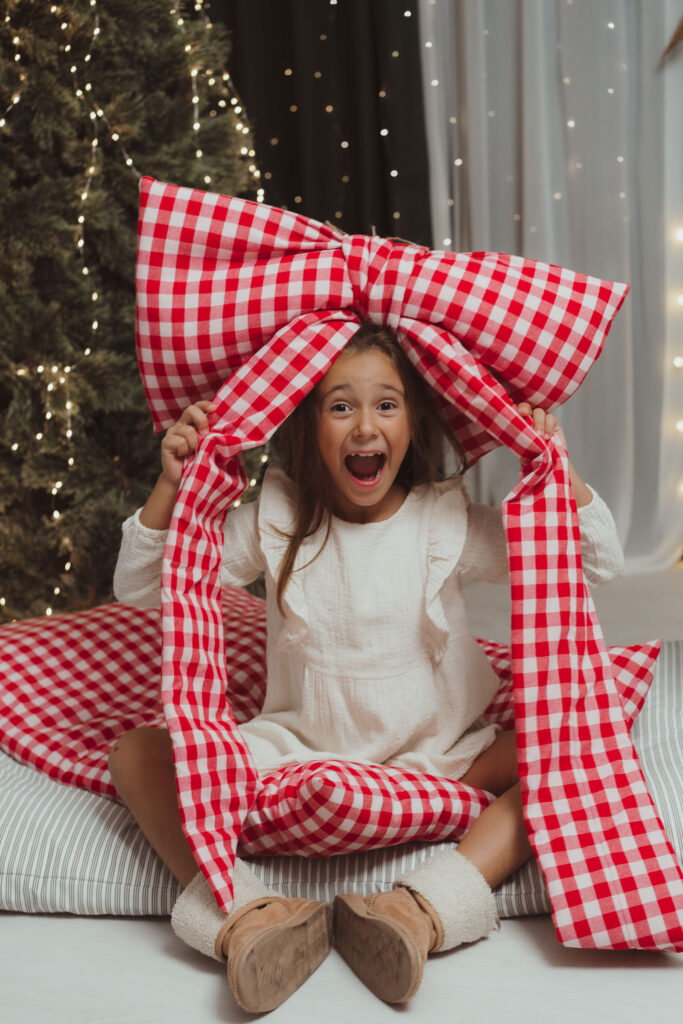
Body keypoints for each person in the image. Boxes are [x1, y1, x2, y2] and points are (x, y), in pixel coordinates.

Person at [110, 321, 624, 1012]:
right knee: (137, 754)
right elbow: (142, 587)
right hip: (293, 766)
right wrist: (171, 486)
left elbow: (596, 560)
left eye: (385, 404)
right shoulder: (276, 519)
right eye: (339, 405)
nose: (364, 427)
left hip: (438, 762)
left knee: (570, 752)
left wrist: (556, 462)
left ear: (412, 422)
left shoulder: (444, 522)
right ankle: (244, 915)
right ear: (307, 425)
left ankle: (418, 910)